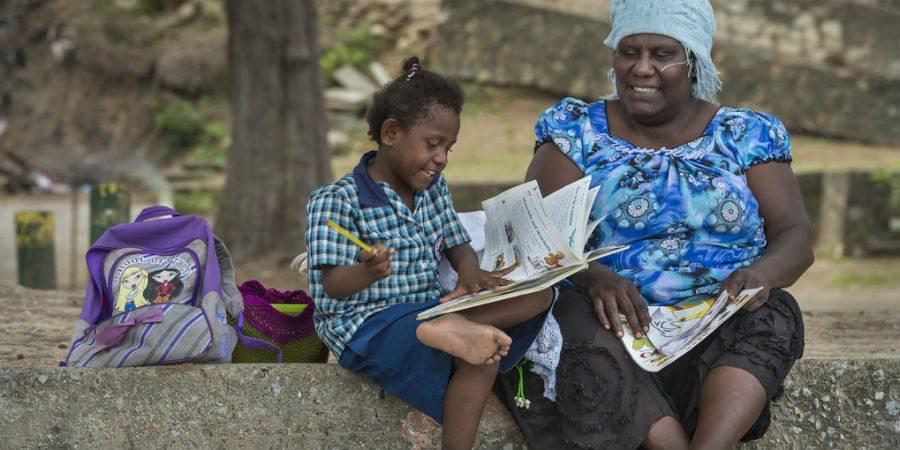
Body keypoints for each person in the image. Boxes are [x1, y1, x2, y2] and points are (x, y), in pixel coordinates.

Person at [503, 1, 814, 448]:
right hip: (607, 322)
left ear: (693, 62)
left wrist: (759, 276)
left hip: (715, 318)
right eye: (629, 52)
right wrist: (593, 277)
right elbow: (535, 235)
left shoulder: (745, 135)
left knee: (775, 312)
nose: (641, 69)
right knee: (564, 317)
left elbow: (795, 236)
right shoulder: (577, 132)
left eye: (662, 54)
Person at [305, 57, 554, 450]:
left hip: (431, 310)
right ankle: (438, 328)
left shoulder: (433, 190)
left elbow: (457, 243)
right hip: (366, 326)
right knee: (463, 340)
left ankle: (450, 330)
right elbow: (334, 286)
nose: (441, 158)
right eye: (433, 144)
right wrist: (367, 271)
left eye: (449, 148)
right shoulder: (336, 199)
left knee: (515, 319)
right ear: (391, 133)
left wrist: (472, 274)